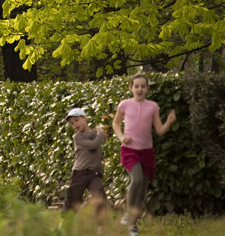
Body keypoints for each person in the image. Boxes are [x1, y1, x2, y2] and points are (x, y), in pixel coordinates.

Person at [112, 73, 177, 236]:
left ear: (147, 89)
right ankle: (128, 213)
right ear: (131, 88)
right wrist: (121, 137)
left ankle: (133, 225)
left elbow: (160, 130)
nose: (139, 89)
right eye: (136, 86)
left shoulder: (153, 106)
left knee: (143, 189)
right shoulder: (125, 105)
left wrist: (168, 122)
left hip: (146, 151)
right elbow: (115, 123)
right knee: (137, 180)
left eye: (143, 86)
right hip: (130, 150)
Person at [64, 107, 108, 214]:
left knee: (100, 197)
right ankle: (65, 223)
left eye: (76, 120)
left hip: (94, 172)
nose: (75, 124)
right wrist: (101, 134)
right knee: (73, 200)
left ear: (84, 118)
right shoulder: (77, 137)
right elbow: (93, 145)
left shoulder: (94, 134)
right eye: (72, 123)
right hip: (79, 173)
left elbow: (97, 141)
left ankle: (100, 226)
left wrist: (100, 133)